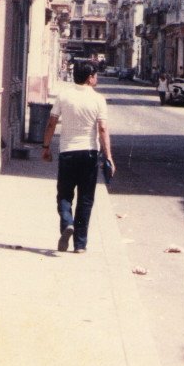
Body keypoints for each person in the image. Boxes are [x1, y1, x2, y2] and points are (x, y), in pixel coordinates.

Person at [41, 61, 115, 253]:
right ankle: (80, 245)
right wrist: (108, 156)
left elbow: (51, 123)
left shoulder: (64, 96)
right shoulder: (99, 100)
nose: (97, 78)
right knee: (86, 198)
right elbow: (103, 129)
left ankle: (67, 222)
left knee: (64, 195)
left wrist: (46, 146)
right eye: (95, 75)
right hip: (89, 154)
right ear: (89, 78)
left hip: (67, 153)